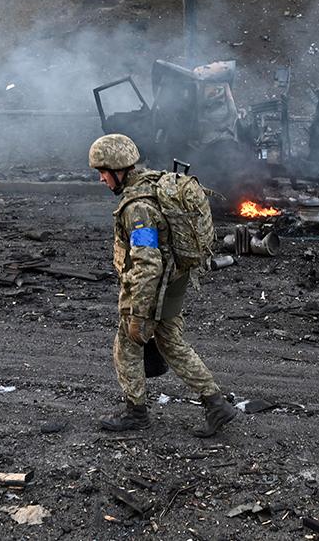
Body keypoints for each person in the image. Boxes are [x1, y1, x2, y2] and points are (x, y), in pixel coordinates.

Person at [88, 133, 237, 437]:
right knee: (172, 344)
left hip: (152, 288)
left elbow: (147, 262)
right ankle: (215, 403)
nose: (102, 180)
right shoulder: (153, 183)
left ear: (119, 170)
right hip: (173, 282)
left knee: (127, 345)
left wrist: (138, 311)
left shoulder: (137, 209)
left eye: (103, 172)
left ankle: (136, 413)